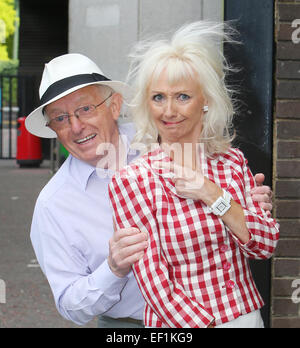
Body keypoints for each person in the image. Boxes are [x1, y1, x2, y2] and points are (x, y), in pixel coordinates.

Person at [27, 53, 273, 328]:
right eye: (60, 118)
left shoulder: (164, 132)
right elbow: (71, 306)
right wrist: (113, 269)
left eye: (85, 109)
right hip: (129, 324)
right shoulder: (53, 204)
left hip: (225, 310)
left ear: (114, 105)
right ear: (52, 128)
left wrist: (241, 200)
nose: (75, 126)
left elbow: (226, 184)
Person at [108, 21, 280, 328]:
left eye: (183, 96)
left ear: (206, 101)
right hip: (185, 325)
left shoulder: (231, 162)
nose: (169, 111)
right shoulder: (133, 181)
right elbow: (154, 284)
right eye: (158, 97)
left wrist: (211, 192)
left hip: (247, 317)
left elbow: (264, 245)